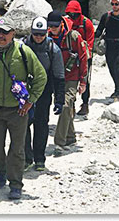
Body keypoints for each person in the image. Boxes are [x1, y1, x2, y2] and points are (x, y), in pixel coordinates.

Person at [0, 17, 47, 200]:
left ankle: (15, 184)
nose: (0, 36)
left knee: (17, 149)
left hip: (18, 110)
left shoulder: (23, 52)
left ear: (13, 34)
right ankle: (2, 170)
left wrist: (30, 101)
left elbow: (41, 77)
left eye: (4, 32)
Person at [22, 16, 65, 172]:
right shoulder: (23, 46)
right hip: (24, 92)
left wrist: (59, 100)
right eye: (35, 34)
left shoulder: (53, 50)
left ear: (46, 32)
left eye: (41, 34)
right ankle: (27, 158)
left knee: (41, 125)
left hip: (44, 93)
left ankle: (39, 159)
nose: (38, 37)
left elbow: (59, 76)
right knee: (23, 124)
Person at [47, 10, 88, 154]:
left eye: (55, 26)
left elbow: (83, 58)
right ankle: (70, 137)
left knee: (65, 106)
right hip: (57, 79)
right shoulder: (47, 37)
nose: (53, 29)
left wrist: (83, 81)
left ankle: (59, 142)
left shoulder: (73, 37)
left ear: (61, 24)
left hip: (72, 77)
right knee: (68, 107)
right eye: (50, 26)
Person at [65, 0, 95, 116]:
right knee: (69, 81)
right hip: (70, 56)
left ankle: (85, 103)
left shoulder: (86, 23)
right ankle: (71, 104)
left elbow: (90, 42)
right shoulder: (66, 22)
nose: (73, 16)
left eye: (75, 14)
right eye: (70, 14)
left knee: (85, 80)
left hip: (84, 55)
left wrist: (86, 58)